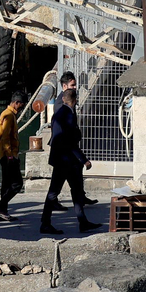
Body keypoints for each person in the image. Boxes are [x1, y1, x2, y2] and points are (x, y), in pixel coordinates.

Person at [40, 89, 103, 234]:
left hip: (60, 159)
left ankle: (81, 221)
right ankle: (47, 223)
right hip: (67, 160)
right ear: (74, 100)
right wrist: (84, 159)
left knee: (71, 191)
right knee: (62, 192)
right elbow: (69, 141)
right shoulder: (69, 114)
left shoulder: (58, 113)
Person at [51, 71, 98, 207]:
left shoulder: (67, 101)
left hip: (65, 150)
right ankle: (50, 212)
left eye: (75, 85)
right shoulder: (62, 104)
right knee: (64, 181)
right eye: (72, 85)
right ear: (64, 87)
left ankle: (79, 201)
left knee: (71, 178)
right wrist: (82, 158)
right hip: (64, 151)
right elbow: (63, 132)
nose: (75, 87)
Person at [0, 91, 26, 221]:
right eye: (21, 105)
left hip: (4, 155)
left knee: (6, 184)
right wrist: (10, 155)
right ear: (16, 103)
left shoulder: (8, 114)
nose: (22, 108)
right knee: (17, 184)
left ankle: (3, 212)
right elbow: (5, 137)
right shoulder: (9, 116)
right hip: (8, 156)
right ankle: (0, 207)